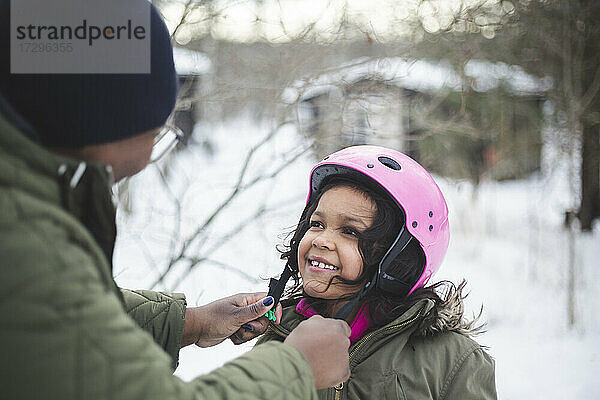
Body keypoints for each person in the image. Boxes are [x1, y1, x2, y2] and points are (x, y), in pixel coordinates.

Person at [0, 1, 351, 399]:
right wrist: (296, 370)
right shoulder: (20, 237)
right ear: (106, 121)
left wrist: (191, 322)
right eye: (157, 132)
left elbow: (60, 322)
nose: (152, 152)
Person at [257, 145, 498, 399]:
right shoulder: (280, 334)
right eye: (317, 224)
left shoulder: (451, 361)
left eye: (350, 231)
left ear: (399, 261)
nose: (321, 240)